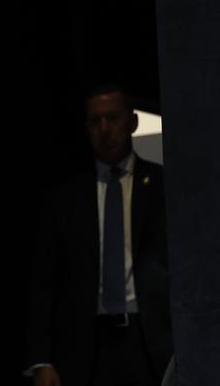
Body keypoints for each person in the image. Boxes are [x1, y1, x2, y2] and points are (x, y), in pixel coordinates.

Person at [25, 84, 172, 386]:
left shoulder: (163, 187)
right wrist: (41, 357)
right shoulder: (66, 199)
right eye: (96, 121)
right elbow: (45, 283)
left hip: (151, 340)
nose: (105, 129)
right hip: (86, 346)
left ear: (131, 122)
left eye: (113, 118)